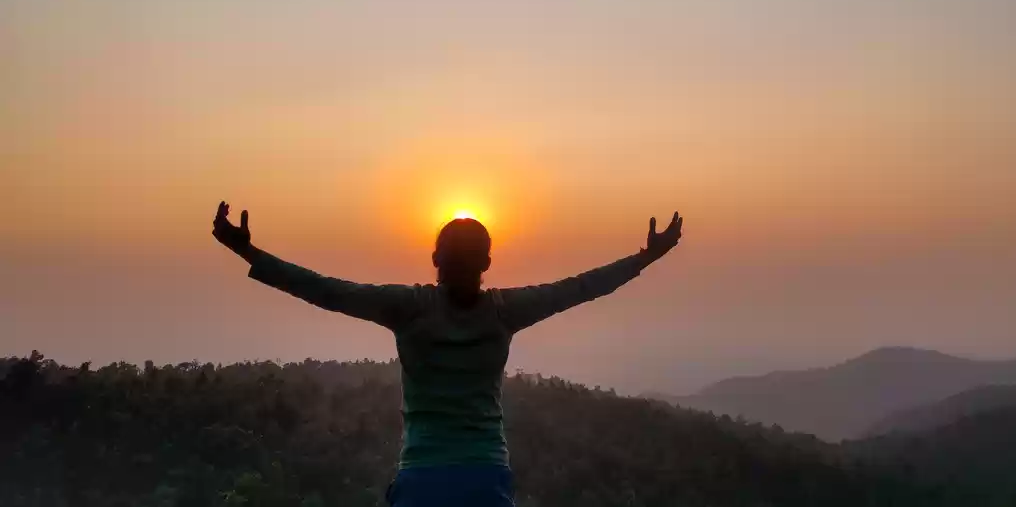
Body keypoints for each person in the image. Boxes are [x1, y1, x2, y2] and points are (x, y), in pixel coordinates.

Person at [213, 201, 684, 507]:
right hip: (486, 479)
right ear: (487, 264)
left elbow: (325, 290)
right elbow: (581, 288)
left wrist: (249, 252)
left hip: (422, 481)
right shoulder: (505, 311)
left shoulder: (409, 308)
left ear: (435, 259)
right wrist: (646, 257)